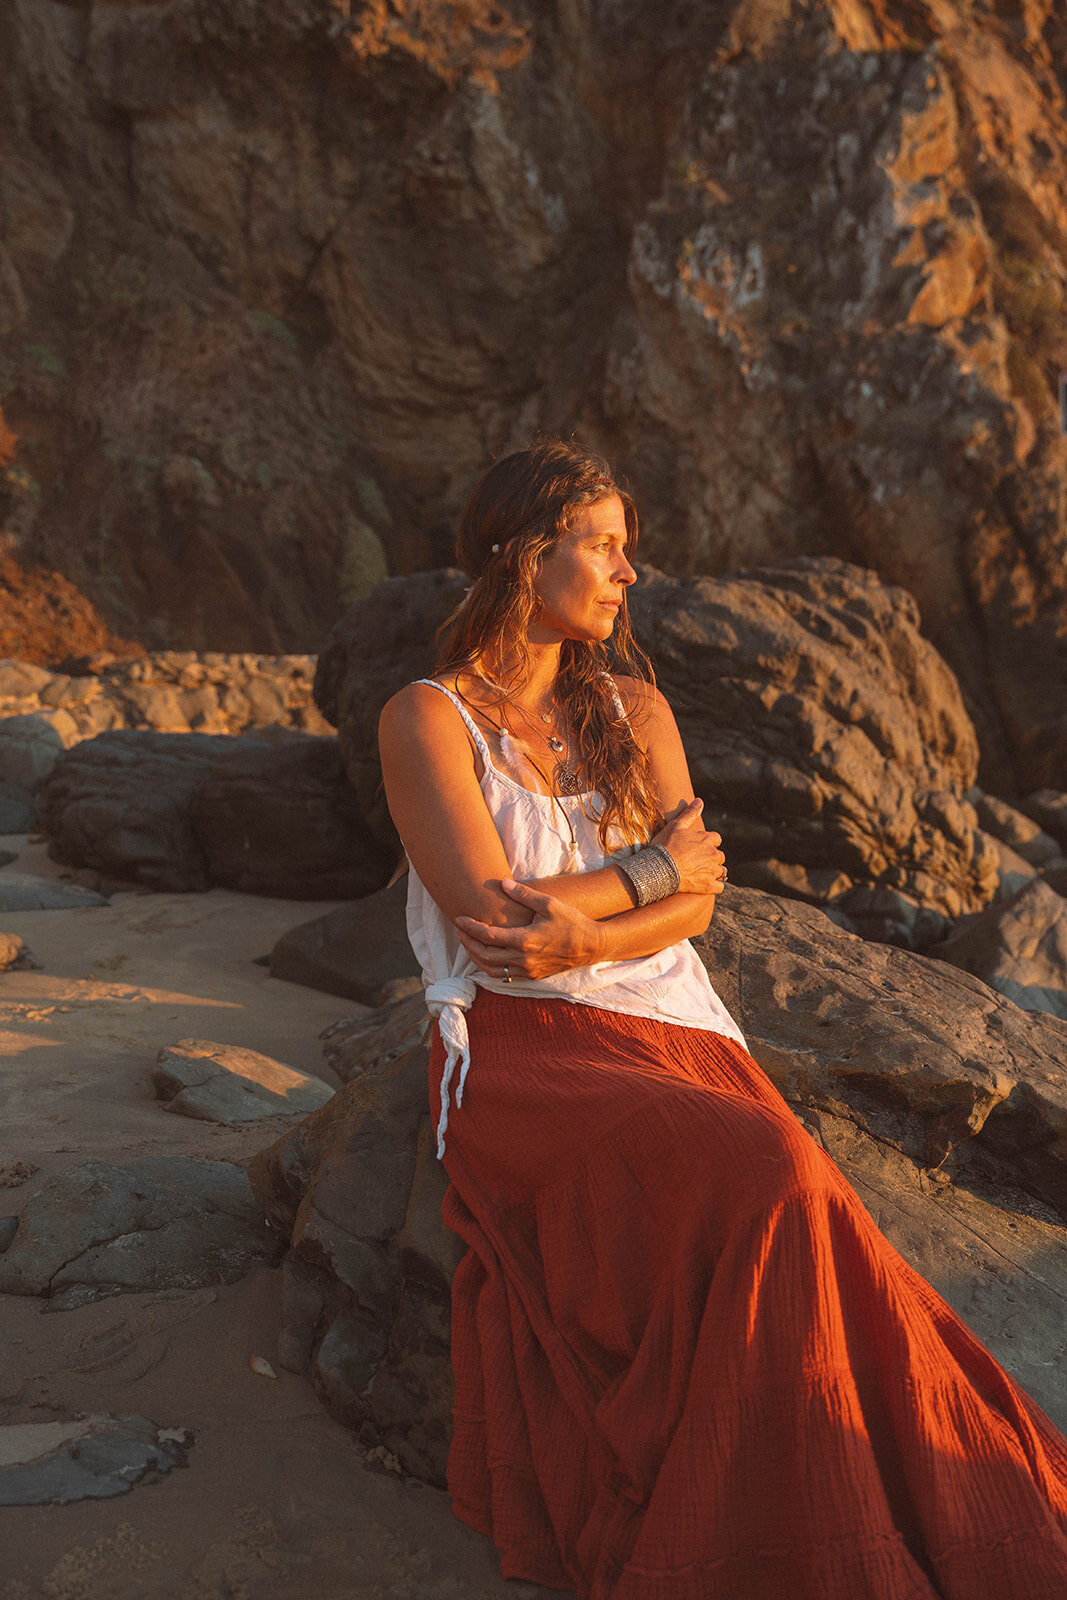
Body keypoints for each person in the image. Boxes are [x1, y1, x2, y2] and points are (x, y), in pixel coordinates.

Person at [377, 438, 1067, 1600]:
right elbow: (497, 921)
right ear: (522, 554)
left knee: (792, 1188)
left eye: (625, 549)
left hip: (676, 1026)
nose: (625, 572)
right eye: (600, 545)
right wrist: (638, 874)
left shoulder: (633, 710)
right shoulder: (427, 716)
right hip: (523, 1051)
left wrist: (585, 928)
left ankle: (901, 1504)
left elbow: (692, 896)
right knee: (774, 1180)